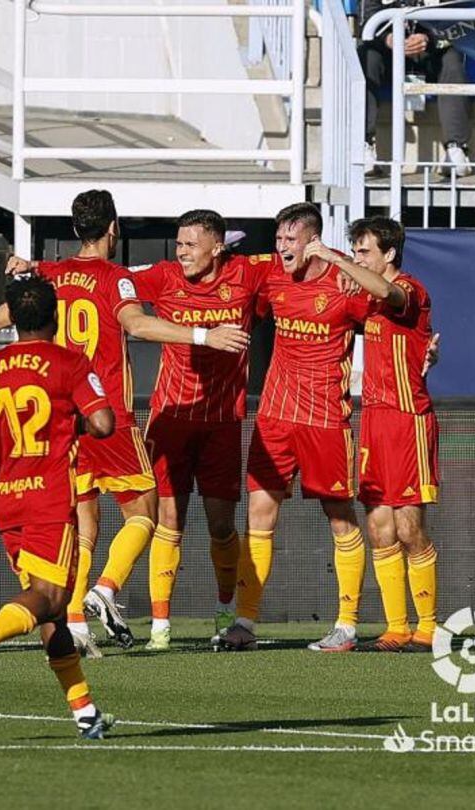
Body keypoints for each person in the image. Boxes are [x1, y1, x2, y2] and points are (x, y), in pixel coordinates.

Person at [0, 190, 249, 656]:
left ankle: (74, 621)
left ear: (77, 229)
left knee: (82, 527)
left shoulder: (50, 274)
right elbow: (137, 326)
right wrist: (204, 335)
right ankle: (106, 588)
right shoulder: (115, 279)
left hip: (64, 425)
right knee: (144, 515)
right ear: (113, 228)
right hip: (108, 417)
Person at [0, 273, 116, 739]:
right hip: (52, 498)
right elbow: (103, 422)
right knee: (54, 598)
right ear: (54, 316)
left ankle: (85, 713)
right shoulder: (68, 363)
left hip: (9, 499)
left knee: (48, 611)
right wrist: (72, 428)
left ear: (11, 319)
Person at [221, 203, 373, 653]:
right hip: (275, 416)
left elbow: (387, 310)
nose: (282, 247)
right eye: (279, 239)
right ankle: (245, 620)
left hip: (325, 418)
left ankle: (346, 624)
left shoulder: (344, 284)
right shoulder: (270, 276)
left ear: (313, 240)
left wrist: (346, 265)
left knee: (341, 518)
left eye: (291, 239)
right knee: (259, 515)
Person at [128, 210, 276, 650]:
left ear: (217, 246)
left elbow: (299, 264)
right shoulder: (164, 276)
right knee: (167, 520)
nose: (182, 252)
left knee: (220, 525)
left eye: (191, 245)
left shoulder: (248, 273)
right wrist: (37, 268)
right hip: (171, 416)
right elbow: (102, 280)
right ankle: (160, 626)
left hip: (222, 423)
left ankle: (226, 609)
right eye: (179, 244)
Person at [303, 218, 439, 653]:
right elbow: (360, 301)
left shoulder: (410, 291)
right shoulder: (369, 300)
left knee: (408, 526)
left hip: (408, 418)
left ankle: (430, 627)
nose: (358, 259)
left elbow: (385, 293)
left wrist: (331, 256)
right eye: (355, 251)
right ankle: (397, 627)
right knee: (380, 527)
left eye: (365, 252)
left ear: (389, 255)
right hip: (375, 421)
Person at [359, 0, 471, 176]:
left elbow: (457, 21)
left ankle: (456, 148)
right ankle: (363, 144)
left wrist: (428, 38)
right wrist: (389, 38)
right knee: (367, 58)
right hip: (388, 51)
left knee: (452, 61)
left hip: (432, 52)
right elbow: (367, 19)